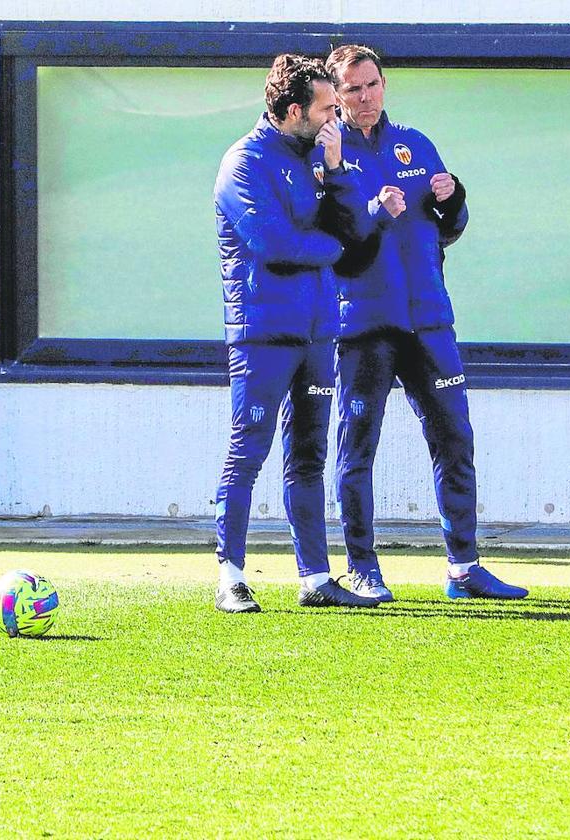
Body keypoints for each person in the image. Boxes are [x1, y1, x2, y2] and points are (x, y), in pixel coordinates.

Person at [321, 44, 527, 602]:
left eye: (372, 85)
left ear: (384, 83)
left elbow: (447, 227)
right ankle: (363, 568)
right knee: (358, 447)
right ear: (336, 97)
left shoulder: (416, 142)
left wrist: (453, 197)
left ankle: (464, 567)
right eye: (353, 90)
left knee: (455, 439)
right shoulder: (327, 157)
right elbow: (329, 241)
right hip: (365, 322)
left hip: (430, 318)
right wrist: (370, 211)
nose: (365, 98)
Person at [210, 54, 380, 612]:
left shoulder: (319, 156)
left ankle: (314, 577)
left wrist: (335, 171)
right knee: (248, 452)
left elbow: (358, 225)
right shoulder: (243, 163)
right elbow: (275, 245)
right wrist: (334, 250)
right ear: (292, 110)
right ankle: (230, 578)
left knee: (307, 455)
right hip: (262, 332)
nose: (339, 115)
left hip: (317, 333)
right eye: (328, 107)